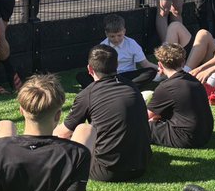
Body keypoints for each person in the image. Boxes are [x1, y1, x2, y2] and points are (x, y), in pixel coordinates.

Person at [56, 46, 151, 182]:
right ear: (117, 65)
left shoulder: (87, 94)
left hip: (108, 171)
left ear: (90, 69)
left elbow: (63, 133)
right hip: (142, 165)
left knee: (81, 131)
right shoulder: (132, 87)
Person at [147, 43, 213, 149]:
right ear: (183, 62)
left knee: (140, 126)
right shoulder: (193, 80)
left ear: (160, 65)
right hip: (205, 134)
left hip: (187, 138)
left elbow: (146, 116)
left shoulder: (166, 87)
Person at [78, 14, 158, 91]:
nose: (116, 39)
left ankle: (108, 88)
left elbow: (145, 64)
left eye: (119, 35)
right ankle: (125, 88)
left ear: (124, 31)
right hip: (109, 76)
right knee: (81, 76)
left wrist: (162, 68)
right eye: (112, 36)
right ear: (106, 34)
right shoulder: (103, 46)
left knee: (150, 72)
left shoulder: (132, 44)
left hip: (128, 75)